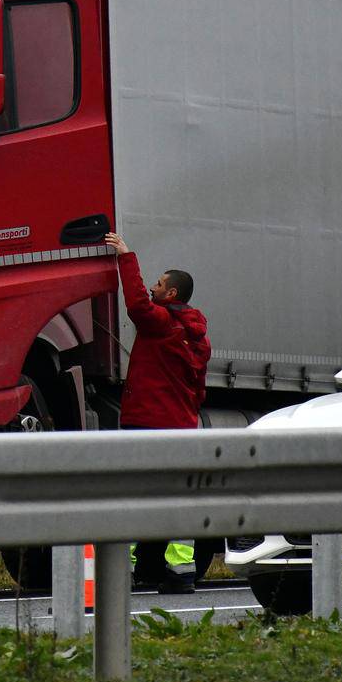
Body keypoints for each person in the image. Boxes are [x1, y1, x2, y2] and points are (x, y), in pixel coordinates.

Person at [104, 231, 210, 594]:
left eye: (160, 284)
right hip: (181, 425)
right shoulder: (195, 333)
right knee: (180, 499)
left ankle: (121, 570)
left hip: (146, 424)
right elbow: (197, 386)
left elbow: (136, 305)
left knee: (133, 497)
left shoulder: (162, 324)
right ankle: (181, 572)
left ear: (172, 295)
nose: (153, 287)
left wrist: (125, 256)